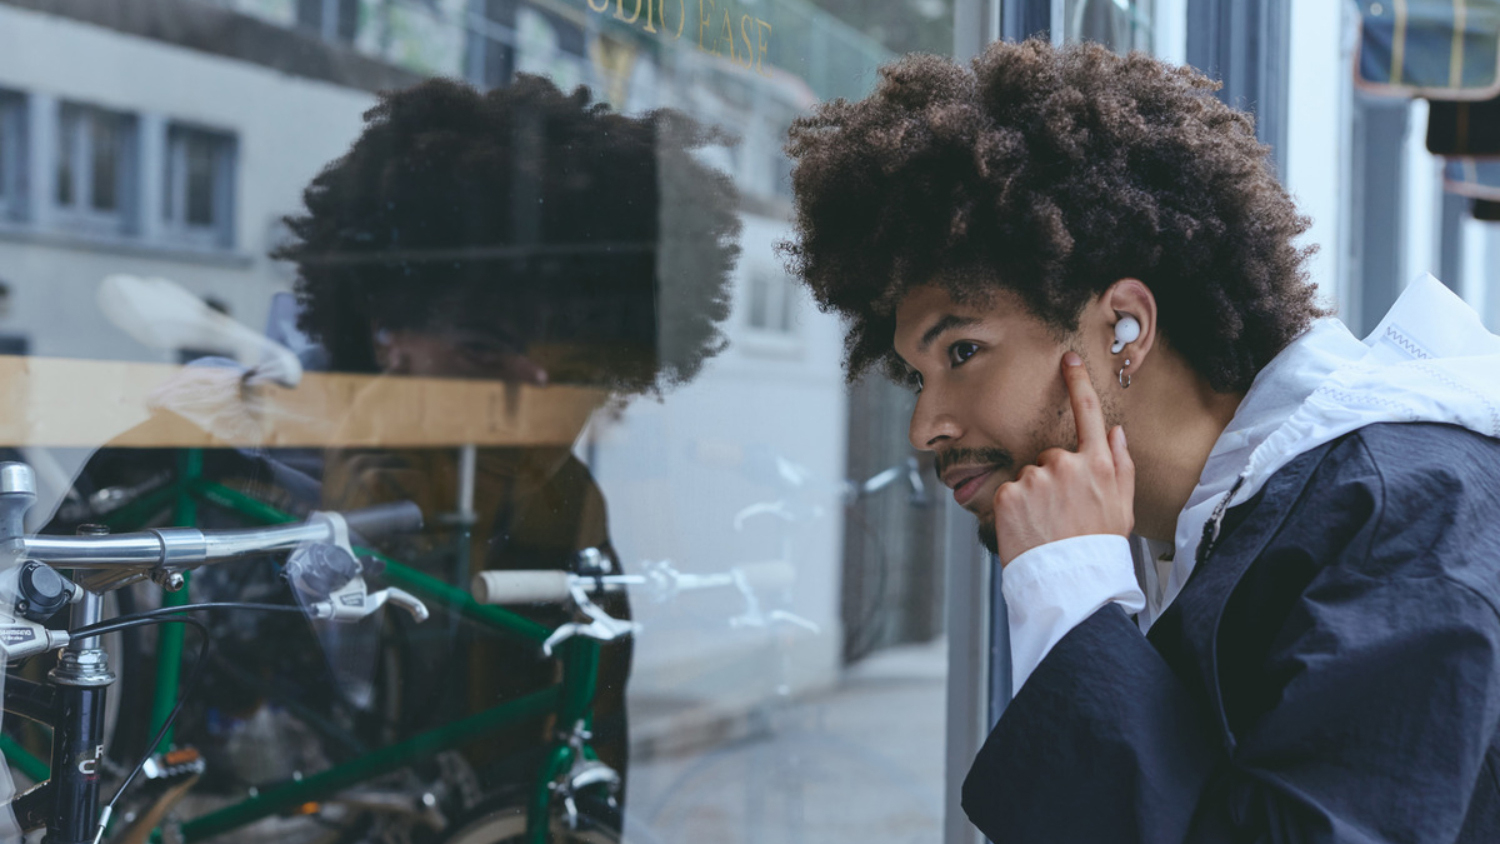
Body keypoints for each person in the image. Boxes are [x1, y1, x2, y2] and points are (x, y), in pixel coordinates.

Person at [782, 38, 1500, 842]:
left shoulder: (1406, 513)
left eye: (963, 352)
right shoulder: (1232, 526)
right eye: (917, 377)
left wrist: (1075, 604)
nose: (927, 427)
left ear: (1124, 326)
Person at [275, 74, 741, 812]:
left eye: (576, 376)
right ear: (386, 328)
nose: (527, 411)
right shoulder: (231, 472)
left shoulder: (565, 514)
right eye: (484, 351)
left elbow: (584, 784)